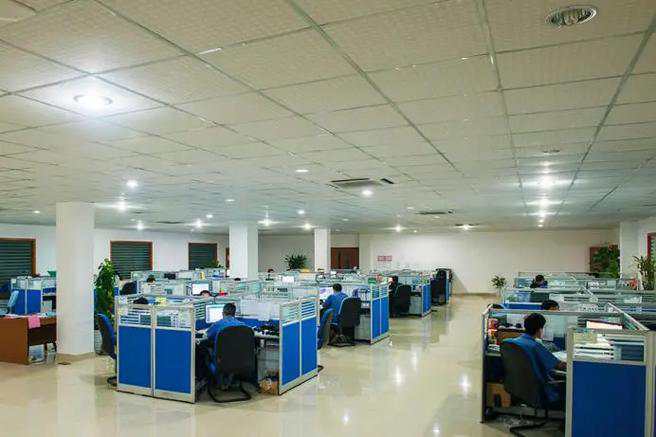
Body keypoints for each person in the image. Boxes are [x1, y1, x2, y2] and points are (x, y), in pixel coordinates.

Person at [504, 313, 566, 406]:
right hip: (538, 389)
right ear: (540, 330)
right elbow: (559, 365)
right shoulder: (535, 346)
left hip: (518, 386)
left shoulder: (512, 342)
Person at [196, 303, 248, 381]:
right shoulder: (243, 325)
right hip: (238, 360)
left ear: (223, 313)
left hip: (221, 361)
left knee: (201, 349)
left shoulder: (218, 324)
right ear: (234, 314)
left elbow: (208, 335)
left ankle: (204, 380)